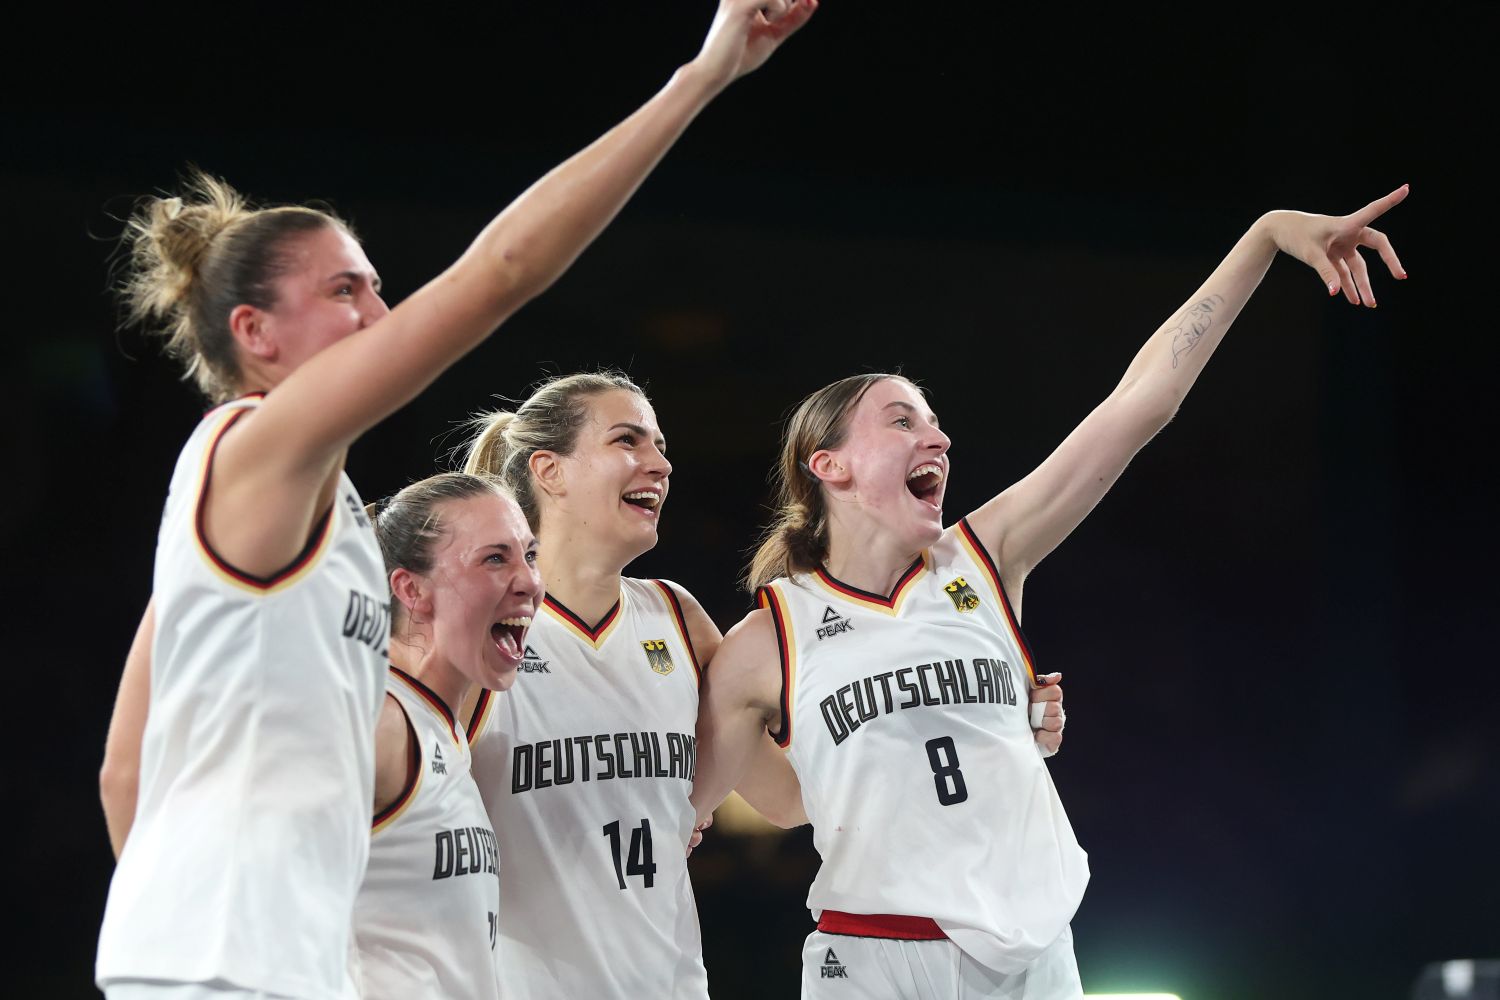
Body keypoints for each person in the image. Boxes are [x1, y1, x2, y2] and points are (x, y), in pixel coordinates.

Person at [96, 4, 819, 997]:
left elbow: (124, 769)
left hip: (267, 963)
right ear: (256, 331)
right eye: (346, 290)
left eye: (379, 286)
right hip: (224, 968)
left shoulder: (323, 520)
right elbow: (504, 273)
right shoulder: (247, 451)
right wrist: (701, 77)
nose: (381, 314)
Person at [690, 186, 1411, 999]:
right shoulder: (767, 640)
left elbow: (1141, 405)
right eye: (901, 421)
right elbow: (754, 808)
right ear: (831, 467)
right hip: (877, 956)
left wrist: (1266, 236)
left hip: (1035, 951)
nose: (938, 436)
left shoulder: (985, 554)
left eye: (934, 423)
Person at [459, 372, 1067, 999]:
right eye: (628, 441)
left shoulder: (677, 621)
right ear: (550, 472)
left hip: (668, 981)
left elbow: (792, 799)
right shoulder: (475, 631)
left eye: (661, 445)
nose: (660, 464)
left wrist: (982, 721)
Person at [353, 473, 541, 1000]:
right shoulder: (378, 721)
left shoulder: (441, 730)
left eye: (530, 555)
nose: (529, 581)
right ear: (412, 590)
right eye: (495, 559)